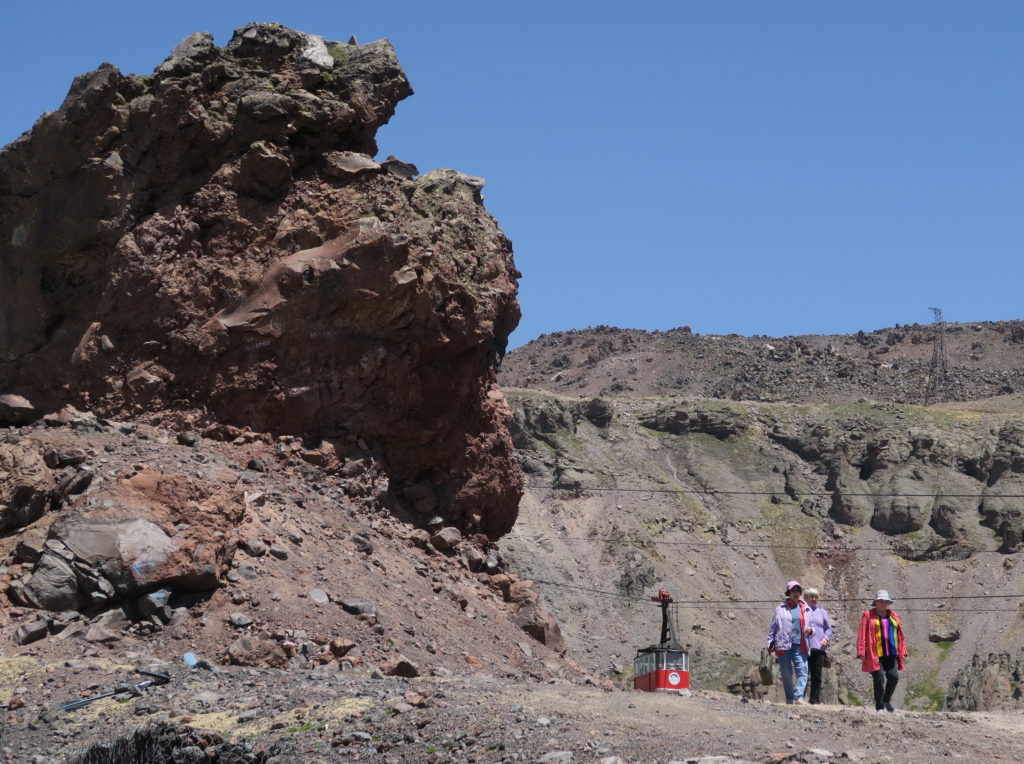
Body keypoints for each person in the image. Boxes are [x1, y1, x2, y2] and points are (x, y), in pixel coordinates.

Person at [856, 589, 908, 714]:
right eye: (880, 601)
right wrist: (861, 652)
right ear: (876, 602)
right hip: (875, 653)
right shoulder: (868, 615)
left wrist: (902, 649)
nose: (883, 603)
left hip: (891, 652)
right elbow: (862, 633)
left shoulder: (893, 615)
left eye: (885, 601)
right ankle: (879, 706)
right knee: (879, 678)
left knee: (894, 676)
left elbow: (899, 633)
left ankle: (886, 700)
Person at [766, 580, 813, 704]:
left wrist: (811, 630)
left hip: (801, 644)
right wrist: (770, 641)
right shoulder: (780, 609)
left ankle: (799, 697)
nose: (796, 593)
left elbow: (813, 628)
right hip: (783, 644)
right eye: (793, 590)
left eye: (798, 590)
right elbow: (773, 627)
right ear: (789, 592)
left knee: (803, 670)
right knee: (786, 673)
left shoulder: (806, 609)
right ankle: (790, 698)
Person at [803, 587, 833, 704]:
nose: (814, 599)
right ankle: (800, 698)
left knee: (816, 675)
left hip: (818, 647)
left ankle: (814, 700)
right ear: (805, 598)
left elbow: (829, 628)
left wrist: (826, 638)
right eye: (811, 597)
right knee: (803, 673)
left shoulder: (822, 612)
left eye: (816, 597)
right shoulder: (801, 610)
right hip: (803, 646)